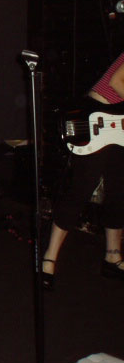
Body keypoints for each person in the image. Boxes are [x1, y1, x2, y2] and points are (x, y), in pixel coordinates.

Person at [43, 51, 124, 289]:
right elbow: (116, 82)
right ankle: (49, 258)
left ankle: (112, 257)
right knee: (81, 188)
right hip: (99, 117)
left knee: (119, 191)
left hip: (119, 123)